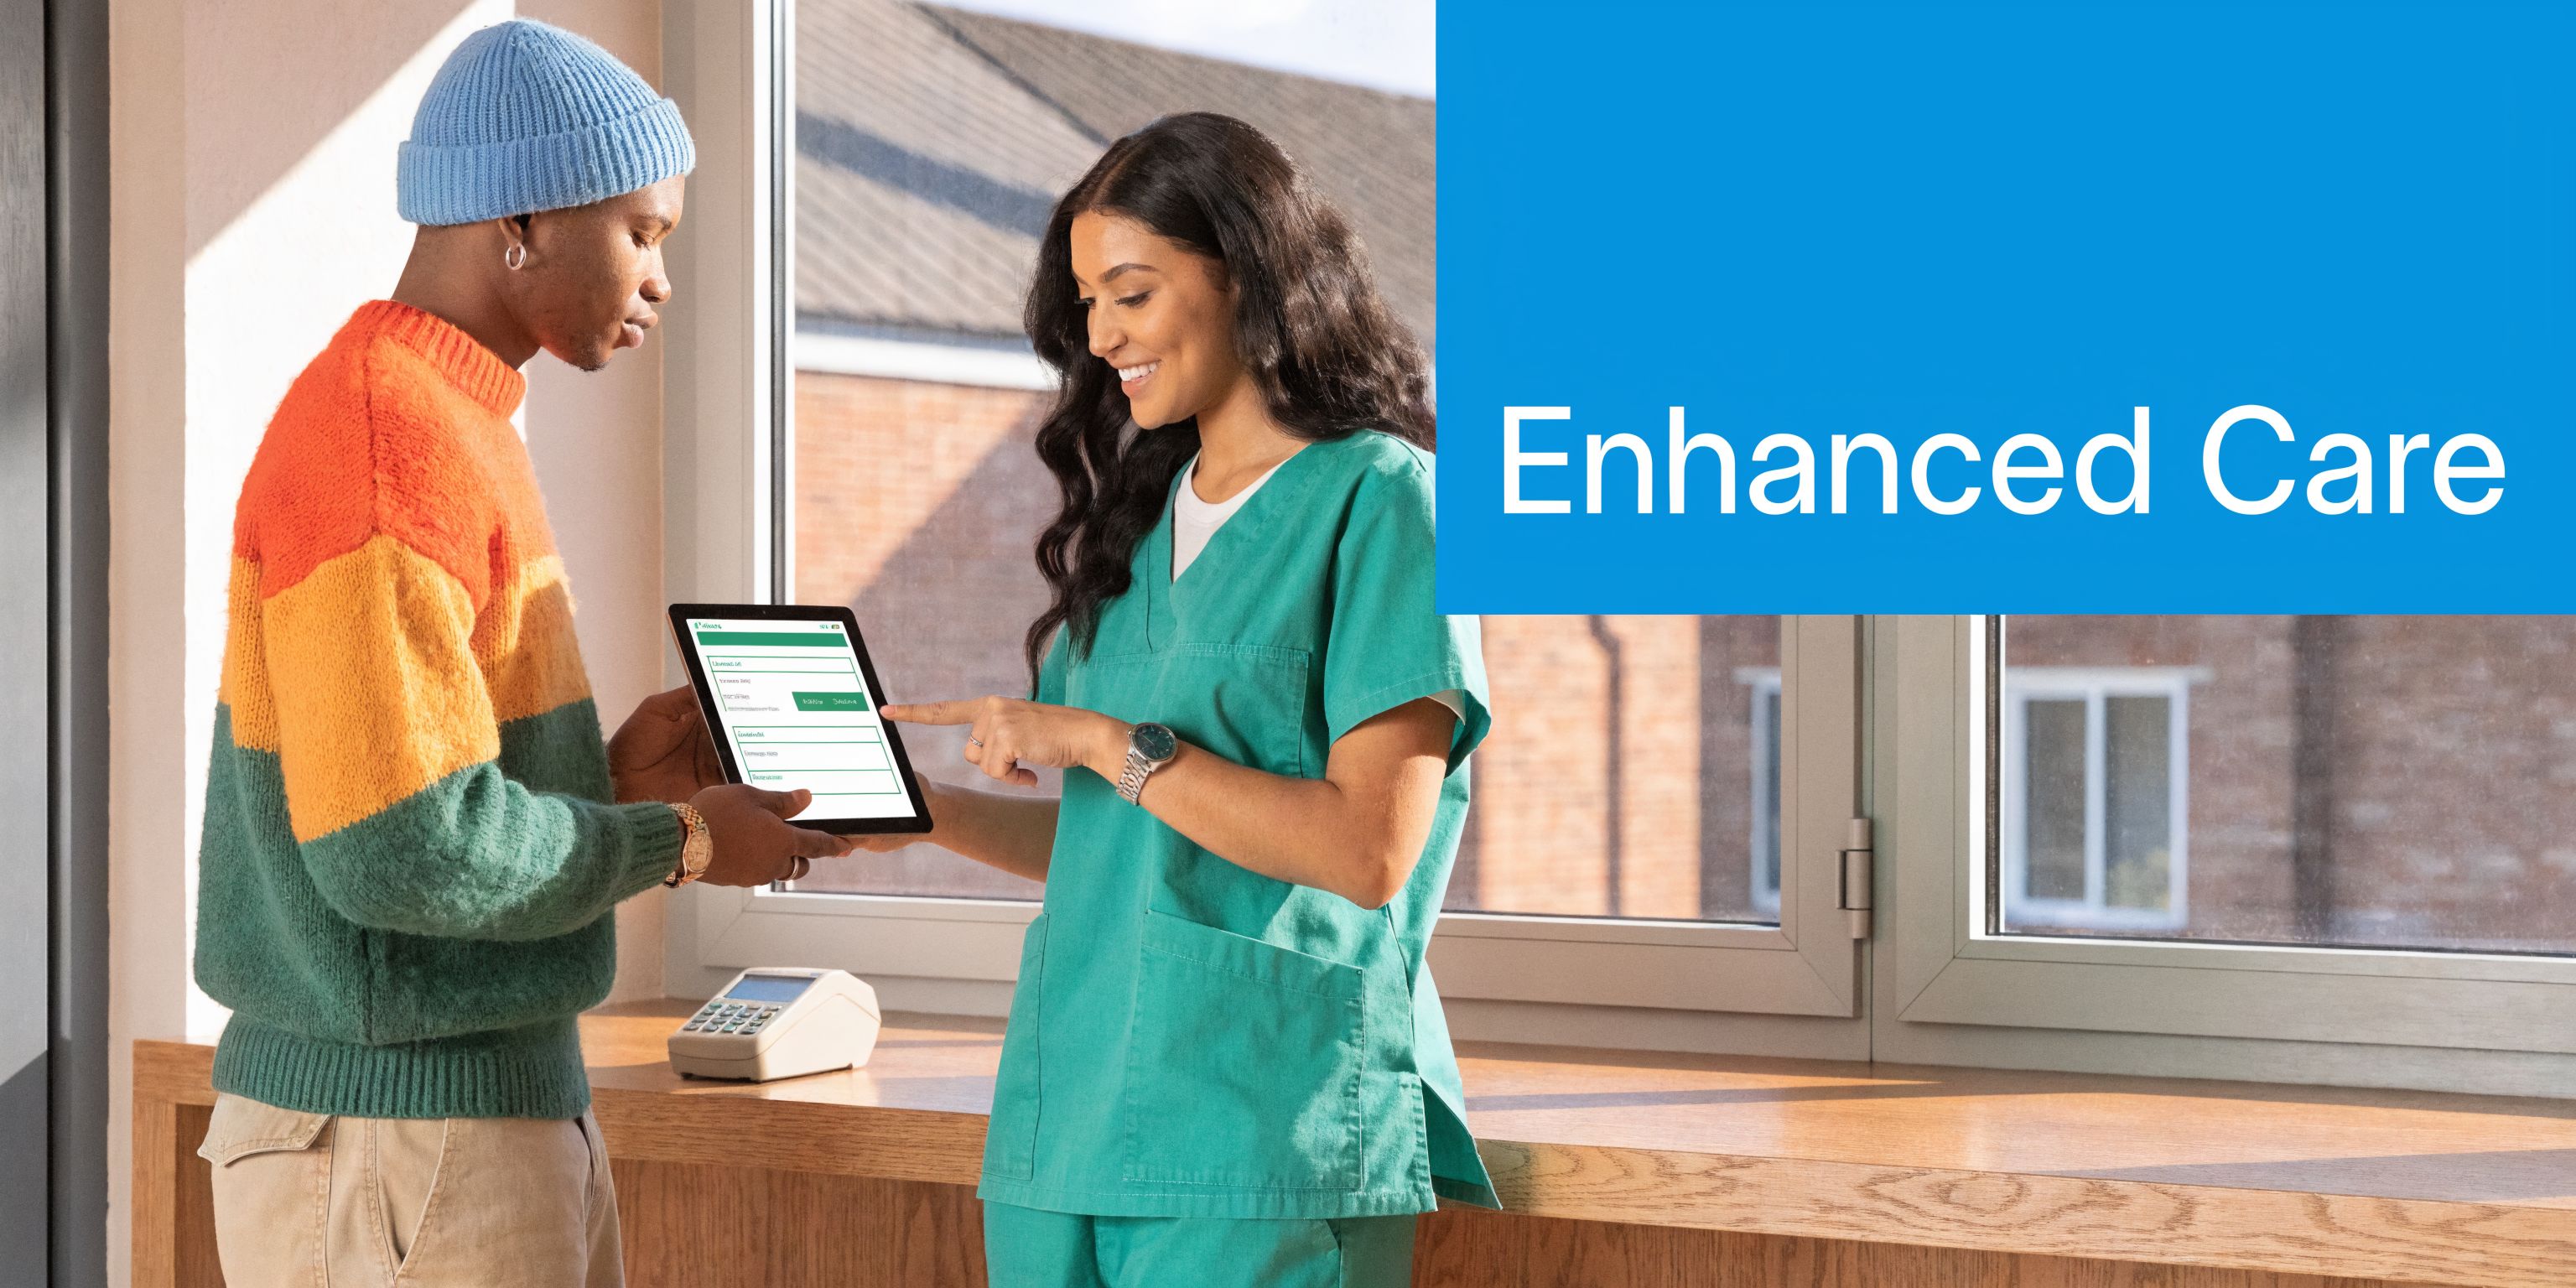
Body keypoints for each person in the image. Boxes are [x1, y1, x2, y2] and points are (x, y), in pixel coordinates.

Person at [188, 19, 853, 1286]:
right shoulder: (393, 436)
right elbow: (401, 845)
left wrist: (604, 785)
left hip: (448, 1123)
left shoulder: (456, 416)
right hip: (395, 1134)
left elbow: (412, 796)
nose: (661, 277)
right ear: (527, 223)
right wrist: (687, 841)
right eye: (642, 234)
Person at [870, 112, 1494, 1288]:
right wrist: (916, 810)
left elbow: (1369, 851)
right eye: (1087, 306)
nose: (1103, 337)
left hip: (1264, 1128)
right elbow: (1124, 843)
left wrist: (1107, 740)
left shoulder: (1382, 502)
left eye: (1133, 295)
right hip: (1071, 1123)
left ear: (1248, 273)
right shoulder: (1139, 524)